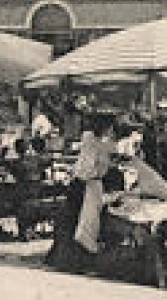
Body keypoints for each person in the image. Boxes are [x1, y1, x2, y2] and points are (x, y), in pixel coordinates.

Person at [46, 107, 120, 269]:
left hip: (87, 184)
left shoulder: (97, 141)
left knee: (78, 222)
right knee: (81, 222)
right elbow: (88, 168)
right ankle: (74, 261)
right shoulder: (92, 141)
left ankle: (71, 259)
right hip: (86, 185)